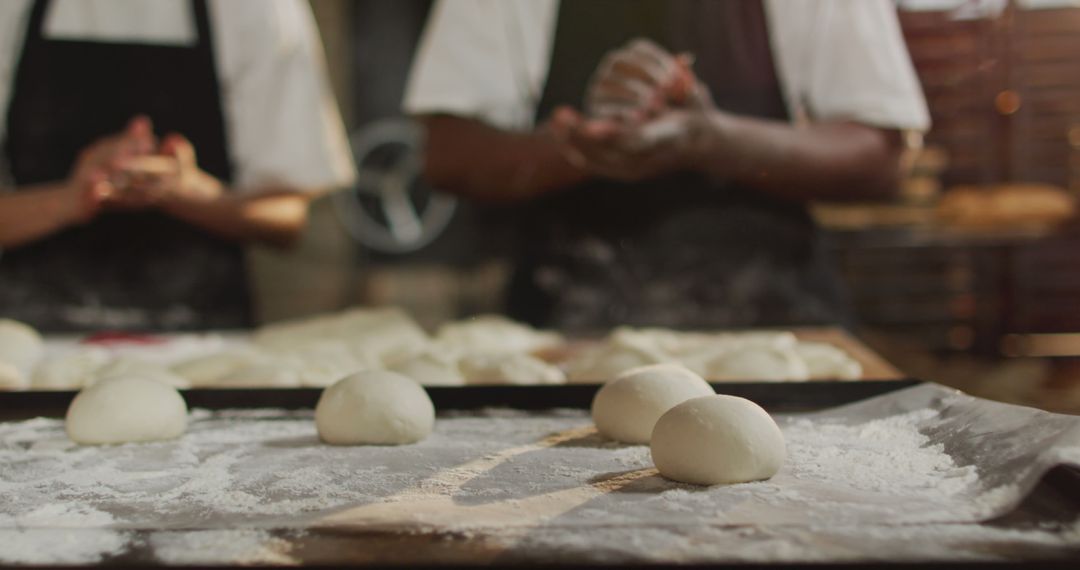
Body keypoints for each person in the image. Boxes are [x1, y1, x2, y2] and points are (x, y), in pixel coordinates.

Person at [404, 0, 930, 332]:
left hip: (783, 328)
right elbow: (450, 155)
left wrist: (711, 140)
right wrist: (591, 144)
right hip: (564, 332)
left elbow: (881, 158)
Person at [0, 0, 355, 332]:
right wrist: (69, 200)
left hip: (207, 343)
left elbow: (286, 221)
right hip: (26, 346)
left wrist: (186, 192)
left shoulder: (258, 9)